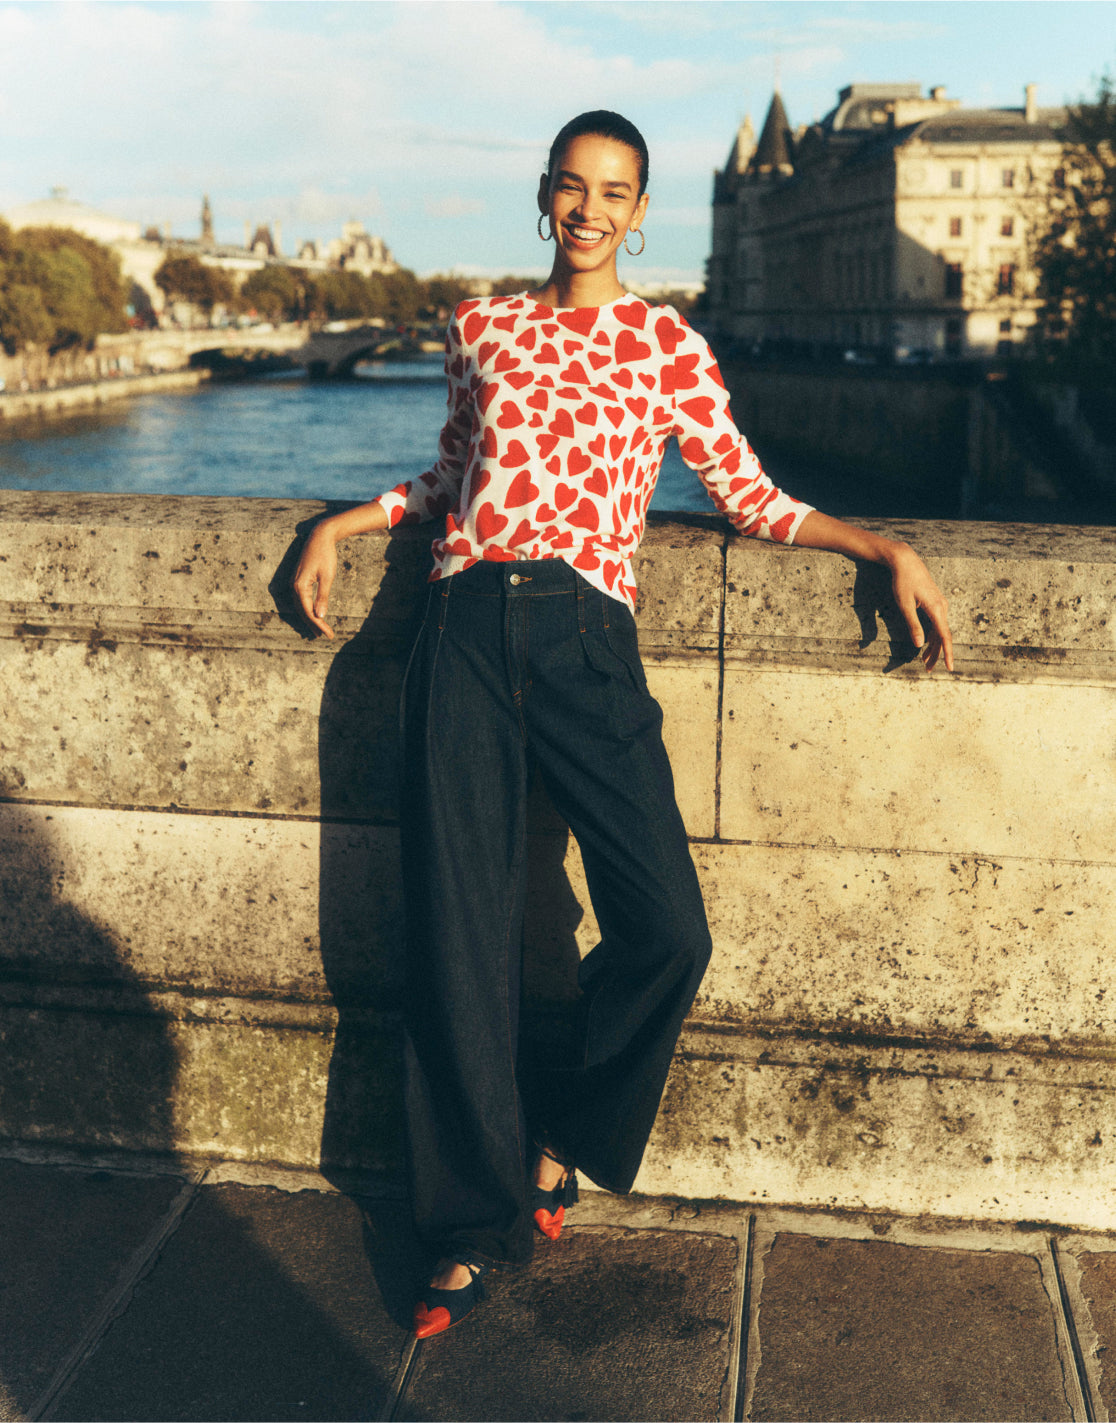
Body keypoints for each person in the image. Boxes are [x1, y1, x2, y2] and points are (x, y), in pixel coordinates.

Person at [293, 110, 953, 1339]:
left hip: (588, 641)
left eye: (617, 191)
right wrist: (343, 522)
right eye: (574, 185)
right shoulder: (480, 328)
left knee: (669, 926)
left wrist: (882, 542)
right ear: (546, 196)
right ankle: (463, 1224)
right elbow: (453, 476)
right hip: (462, 627)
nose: (592, 207)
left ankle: (558, 1133)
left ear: (641, 214)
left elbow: (746, 496)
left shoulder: (664, 344)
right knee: (460, 935)